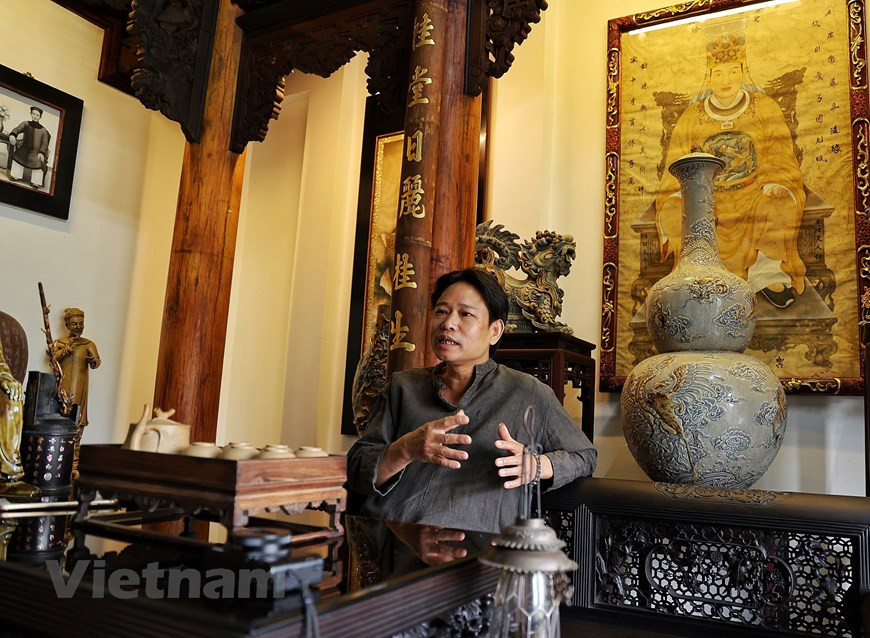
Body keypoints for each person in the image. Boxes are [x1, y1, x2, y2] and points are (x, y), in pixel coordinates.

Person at [347, 268, 596, 534]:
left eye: (465, 314)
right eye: (442, 311)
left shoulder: (527, 392)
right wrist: (406, 449)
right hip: (386, 542)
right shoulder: (403, 386)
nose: (448, 323)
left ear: (495, 331)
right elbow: (357, 468)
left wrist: (538, 466)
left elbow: (585, 456)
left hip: (473, 553)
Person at [654, 20, 807, 309]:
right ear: (709, 75)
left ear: (742, 71)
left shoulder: (763, 107)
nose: (726, 79)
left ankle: (766, 274)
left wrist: (777, 182)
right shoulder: (692, 115)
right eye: (719, 72)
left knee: (778, 204)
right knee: (674, 208)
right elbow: (676, 160)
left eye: (733, 71)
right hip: (705, 198)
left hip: (754, 192)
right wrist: (679, 192)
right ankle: (693, 274)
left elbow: (779, 152)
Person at [52, 308, 100, 426]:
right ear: (67, 325)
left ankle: (76, 442)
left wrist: (94, 361)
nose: (78, 326)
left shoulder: (88, 344)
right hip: (62, 384)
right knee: (60, 410)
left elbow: (97, 361)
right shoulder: (59, 343)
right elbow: (53, 359)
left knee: (77, 413)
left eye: (81, 323)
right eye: (74, 323)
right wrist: (66, 348)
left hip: (80, 384)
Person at [7, 106, 51, 189]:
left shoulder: (44, 130)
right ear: (31, 114)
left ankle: (35, 182)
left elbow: (45, 143)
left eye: (37, 115)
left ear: (40, 117)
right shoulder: (26, 124)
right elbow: (18, 129)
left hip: (37, 152)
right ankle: (15, 176)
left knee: (39, 162)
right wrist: (13, 135)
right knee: (17, 156)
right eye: (33, 114)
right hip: (25, 148)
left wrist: (41, 152)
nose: (35, 116)